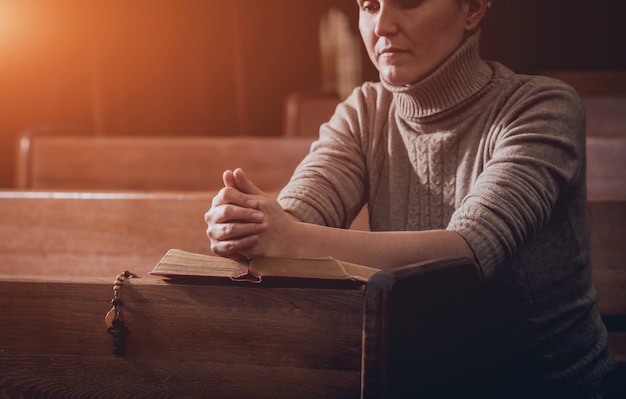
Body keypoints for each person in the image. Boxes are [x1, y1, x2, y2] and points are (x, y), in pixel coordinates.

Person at [205, 0, 614, 396]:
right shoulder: (365, 110)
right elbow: (299, 213)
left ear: (472, 9)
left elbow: (467, 253)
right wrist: (247, 225)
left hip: (539, 385)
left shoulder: (543, 106)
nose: (382, 26)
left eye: (409, 2)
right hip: (408, 381)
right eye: (369, 5)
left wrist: (288, 238)